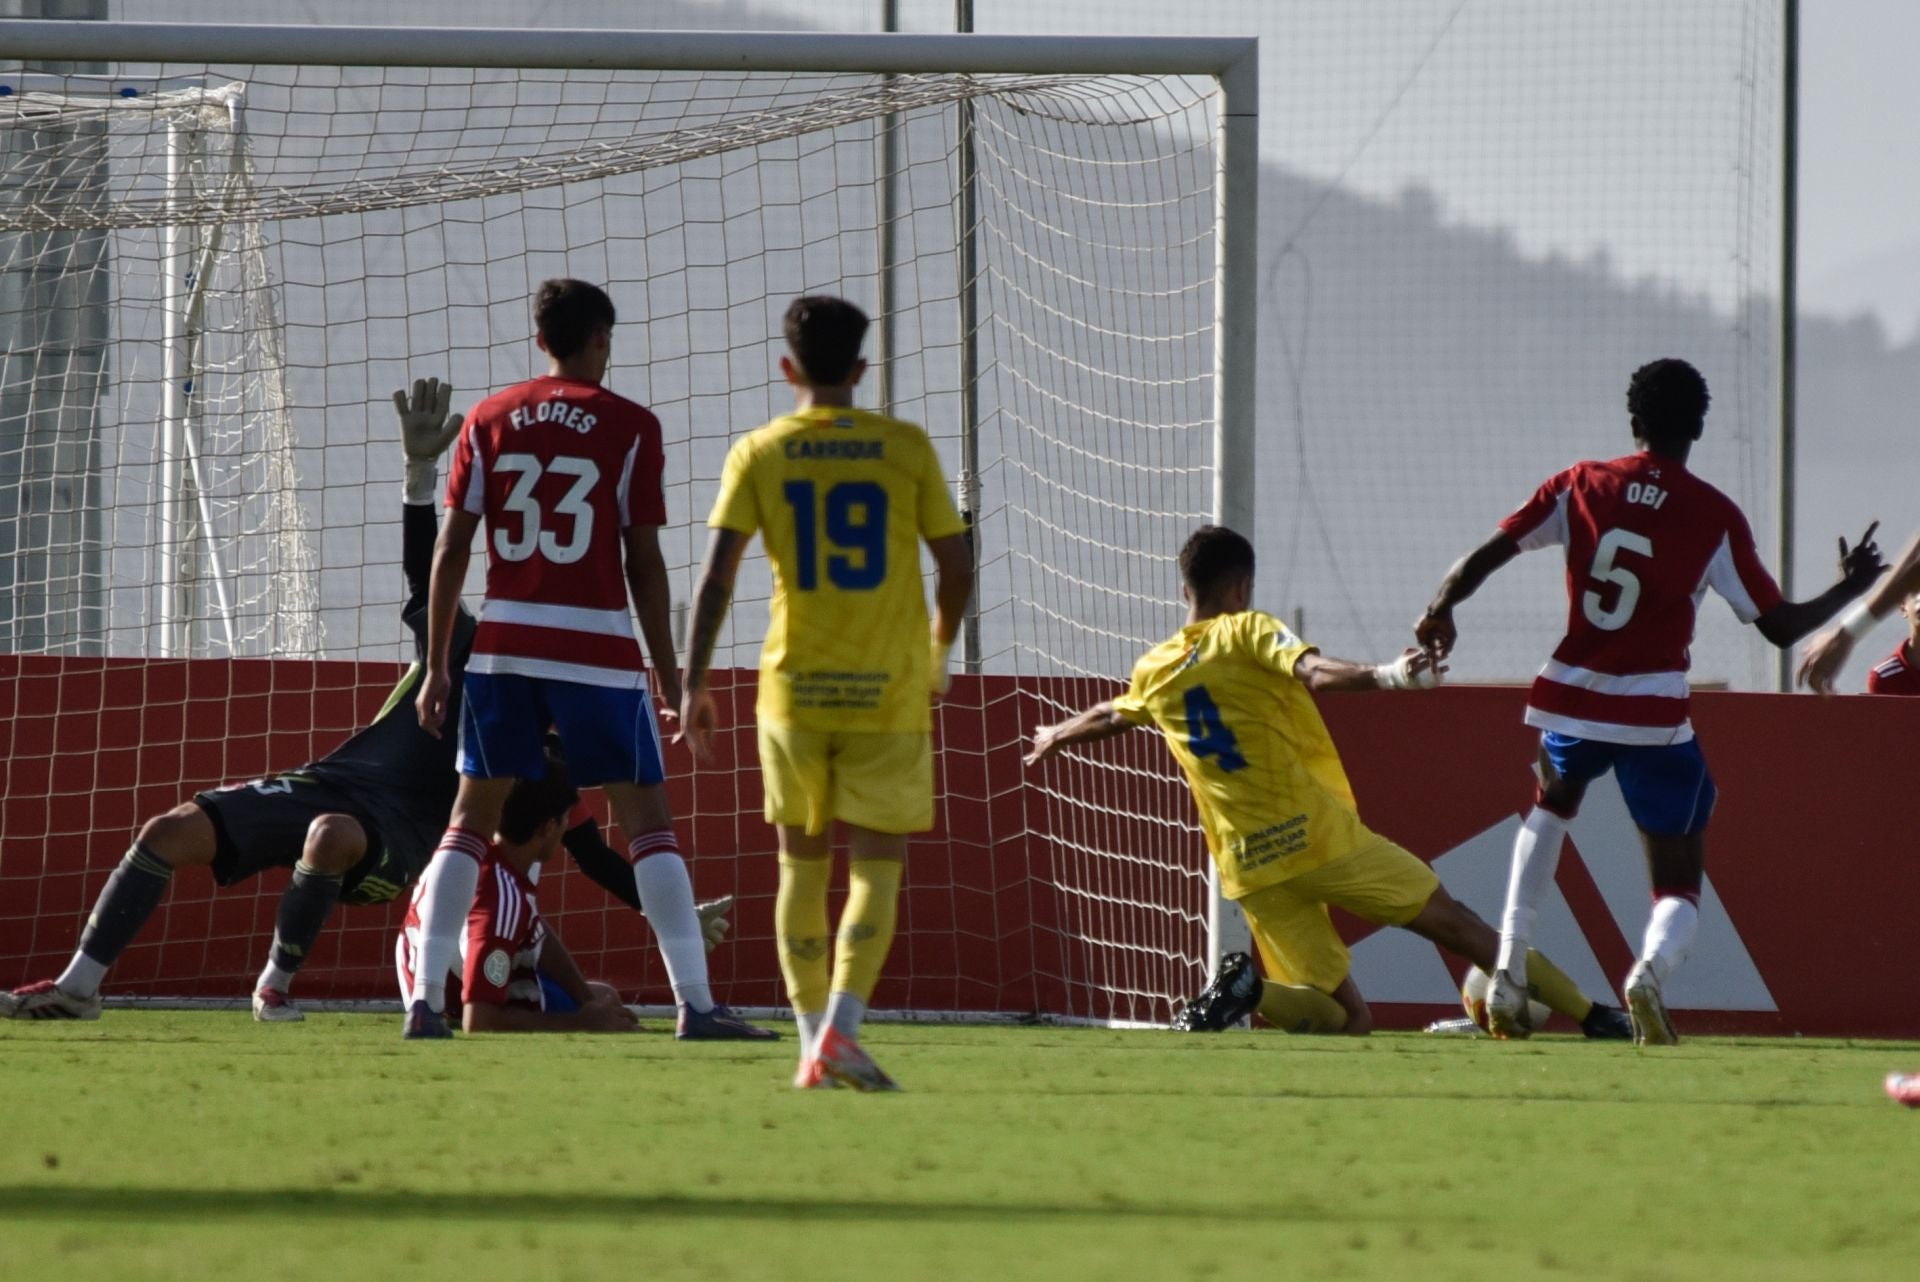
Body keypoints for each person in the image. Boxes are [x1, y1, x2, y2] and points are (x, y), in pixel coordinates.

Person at [1, 381, 721, 1023]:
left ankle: (275, 988)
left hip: (401, 835)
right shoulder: (472, 651)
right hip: (330, 781)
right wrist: (419, 476)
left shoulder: (557, 735)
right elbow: (426, 574)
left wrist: (677, 914)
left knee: (332, 838)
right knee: (168, 829)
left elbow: (590, 851)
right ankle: (78, 986)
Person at [1416, 358, 1882, 1044]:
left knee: (1548, 810)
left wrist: (1440, 608)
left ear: (1633, 421)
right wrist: (1849, 588)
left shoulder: (1580, 483)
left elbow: (1487, 553)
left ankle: (1508, 970)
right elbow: (1780, 627)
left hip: (1573, 699)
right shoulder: (1714, 515)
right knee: (1678, 879)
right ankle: (1650, 973)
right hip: (1654, 716)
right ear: (1699, 427)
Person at [1026, 525, 1630, 1039]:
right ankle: (1595, 1016)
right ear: (1242, 587)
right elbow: (1313, 672)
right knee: (1457, 924)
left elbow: (1111, 715)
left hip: (1248, 865)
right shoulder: (1247, 630)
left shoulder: (1153, 669)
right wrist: (1391, 675)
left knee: (1349, 1020)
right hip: (1317, 837)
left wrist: (1056, 732)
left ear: (1185, 589)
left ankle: (1249, 990)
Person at [408, 279, 771, 1042]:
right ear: (600, 337)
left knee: (469, 823)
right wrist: (674, 676)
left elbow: (451, 549)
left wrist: (438, 665)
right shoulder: (631, 426)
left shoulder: (489, 417)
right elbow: (644, 561)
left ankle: (424, 1005)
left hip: (505, 646)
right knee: (647, 826)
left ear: (541, 340)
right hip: (596, 651)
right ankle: (696, 1006)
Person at [680, 295, 973, 1090]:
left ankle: (814, 1041)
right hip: (888, 694)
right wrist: (939, 649)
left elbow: (716, 577)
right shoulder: (905, 448)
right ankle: (841, 1029)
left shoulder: (759, 451)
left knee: (799, 869)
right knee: (877, 867)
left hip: (792, 694)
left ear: (788, 368)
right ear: (861, 368)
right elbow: (956, 565)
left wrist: (693, 681)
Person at [396, 753, 638, 1034]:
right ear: (548, 827)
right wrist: (584, 1022)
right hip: (458, 1002)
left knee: (601, 997)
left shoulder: (479, 857)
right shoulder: (500, 898)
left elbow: (535, 929)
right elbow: (479, 1021)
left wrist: (587, 1002)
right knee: (606, 997)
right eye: (565, 820)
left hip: (430, 986)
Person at [1798, 531, 1920, 694]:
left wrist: (1847, 632)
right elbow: (1781, 626)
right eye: (1915, 591)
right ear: (1902, 605)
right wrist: (1846, 629)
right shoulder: (1886, 676)